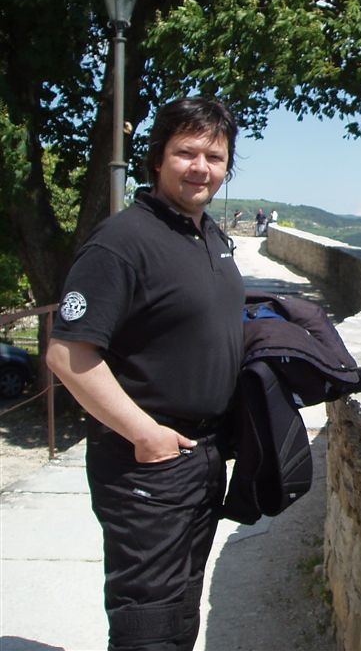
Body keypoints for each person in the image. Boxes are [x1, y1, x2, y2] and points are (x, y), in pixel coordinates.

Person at [47, 97, 244, 651]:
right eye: (186, 153)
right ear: (158, 159)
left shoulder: (210, 236)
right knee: (148, 623)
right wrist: (146, 434)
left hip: (203, 456)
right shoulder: (122, 242)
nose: (201, 167)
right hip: (147, 463)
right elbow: (67, 354)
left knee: (180, 614)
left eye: (215, 157)